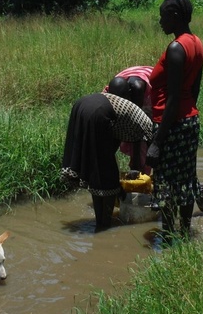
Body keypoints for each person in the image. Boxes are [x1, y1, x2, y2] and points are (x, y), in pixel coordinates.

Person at [145, 0, 203, 242]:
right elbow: (194, 90)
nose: (160, 21)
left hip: (170, 124)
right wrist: (185, 113)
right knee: (186, 179)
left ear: (175, 16)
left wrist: (157, 141)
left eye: (163, 16)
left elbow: (171, 98)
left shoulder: (176, 48)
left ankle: (169, 236)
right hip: (188, 121)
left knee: (168, 182)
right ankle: (185, 231)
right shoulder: (197, 44)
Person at [60, 92, 153, 231]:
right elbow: (150, 157)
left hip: (82, 105)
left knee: (96, 171)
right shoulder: (148, 127)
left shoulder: (131, 119)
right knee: (107, 177)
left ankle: (100, 222)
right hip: (98, 112)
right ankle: (105, 225)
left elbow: (110, 150)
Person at [103, 66, 154, 174]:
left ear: (129, 93)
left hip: (153, 94)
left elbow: (138, 128)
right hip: (134, 80)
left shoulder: (138, 90)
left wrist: (136, 163)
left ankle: (146, 177)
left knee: (147, 148)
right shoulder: (108, 93)